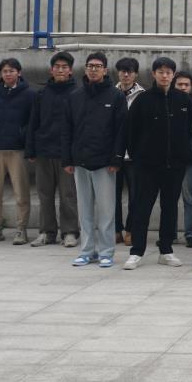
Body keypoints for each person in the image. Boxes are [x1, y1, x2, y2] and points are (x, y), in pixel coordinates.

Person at [121, 57, 192, 270]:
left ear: (173, 75)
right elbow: (131, 132)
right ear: (154, 74)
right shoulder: (143, 100)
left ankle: (166, 250)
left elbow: (191, 130)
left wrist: (185, 155)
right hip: (147, 166)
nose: (164, 76)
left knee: (170, 208)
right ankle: (136, 252)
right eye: (160, 72)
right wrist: (138, 157)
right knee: (142, 208)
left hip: (175, 166)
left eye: (168, 72)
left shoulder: (184, 100)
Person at [64, 53, 126, 267]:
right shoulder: (75, 96)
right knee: (85, 210)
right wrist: (68, 159)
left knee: (107, 211)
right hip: (80, 161)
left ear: (105, 70)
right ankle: (87, 250)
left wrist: (117, 158)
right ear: (85, 69)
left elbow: (121, 130)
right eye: (90, 66)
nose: (93, 69)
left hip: (105, 163)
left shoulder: (115, 96)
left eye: (98, 66)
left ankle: (106, 252)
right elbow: (67, 129)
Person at [0, 58, 35, 245]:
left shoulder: (29, 95)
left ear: (19, 72)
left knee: (21, 191)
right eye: (4, 71)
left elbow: (33, 121)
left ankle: (21, 228)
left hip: (17, 150)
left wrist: (23, 137)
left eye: (11, 71)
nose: (8, 74)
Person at [27, 51, 80, 248]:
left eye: (64, 67)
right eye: (57, 67)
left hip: (67, 154)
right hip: (44, 151)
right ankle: (46, 232)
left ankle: (70, 232)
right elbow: (33, 122)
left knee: (68, 195)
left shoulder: (77, 93)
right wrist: (31, 149)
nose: (60, 70)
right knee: (45, 194)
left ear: (70, 71)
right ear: (51, 70)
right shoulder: (41, 94)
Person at [114, 58, 145, 246]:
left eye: (130, 71)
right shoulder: (110, 93)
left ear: (136, 74)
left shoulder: (143, 96)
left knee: (136, 195)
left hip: (135, 155)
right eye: (122, 71)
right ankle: (116, 229)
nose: (126, 75)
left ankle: (131, 229)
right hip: (114, 153)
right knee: (113, 195)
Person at [172, 71, 192, 248]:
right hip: (169, 159)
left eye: (186, 85)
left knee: (190, 198)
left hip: (190, 159)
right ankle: (169, 233)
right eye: (180, 84)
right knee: (169, 198)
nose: (183, 87)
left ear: (191, 87)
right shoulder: (166, 102)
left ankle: (190, 234)